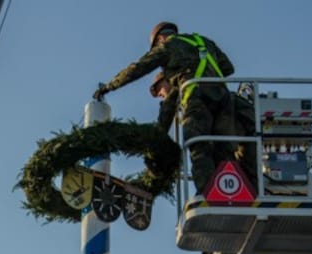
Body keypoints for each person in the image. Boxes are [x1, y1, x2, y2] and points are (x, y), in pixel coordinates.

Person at [93, 21, 250, 193]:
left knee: (199, 147)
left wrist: (109, 87)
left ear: (160, 39)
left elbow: (137, 69)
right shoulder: (203, 41)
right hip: (224, 100)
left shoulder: (168, 47)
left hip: (197, 99)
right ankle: (230, 194)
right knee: (224, 150)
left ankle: (208, 195)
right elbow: (228, 68)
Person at [149, 71, 258, 191]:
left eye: (159, 88)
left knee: (209, 151)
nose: (160, 94)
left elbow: (166, 118)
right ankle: (230, 189)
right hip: (239, 123)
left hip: (240, 121)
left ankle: (212, 190)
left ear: (168, 79)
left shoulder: (189, 91)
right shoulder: (192, 92)